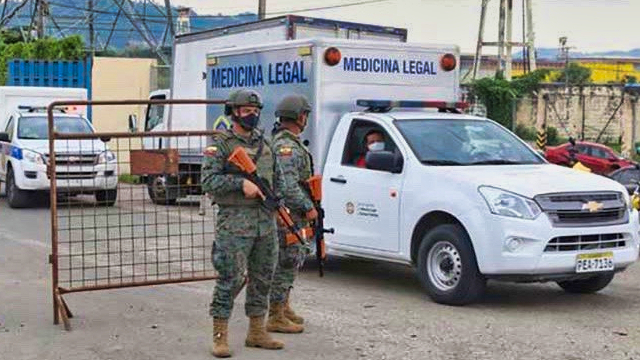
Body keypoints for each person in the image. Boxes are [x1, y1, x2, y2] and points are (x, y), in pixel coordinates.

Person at [201, 89, 286, 358]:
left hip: (265, 223)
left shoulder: (265, 142)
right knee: (230, 278)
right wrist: (241, 183)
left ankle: (257, 331)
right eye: (247, 110)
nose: (253, 115)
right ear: (234, 112)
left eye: (256, 110)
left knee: (263, 278)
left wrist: (279, 201)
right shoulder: (221, 144)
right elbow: (208, 181)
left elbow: (277, 177)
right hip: (235, 224)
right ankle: (220, 336)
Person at [268, 94, 318, 334]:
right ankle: (275, 315)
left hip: (291, 213)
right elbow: (287, 186)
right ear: (299, 117)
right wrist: (307, 206)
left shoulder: (289, 142)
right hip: (288, 213)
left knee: (293, 259)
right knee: (287, 261)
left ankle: (283, 306)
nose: (306, 119)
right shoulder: (285, 146)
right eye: (305, 114)